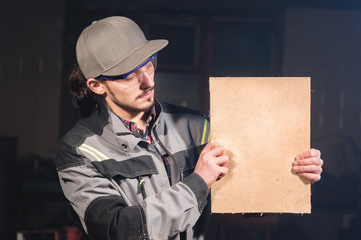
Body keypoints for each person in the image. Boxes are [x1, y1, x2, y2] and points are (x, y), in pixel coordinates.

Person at [55, 16, 323, 240]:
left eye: (149, 64)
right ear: (97, 85)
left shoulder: (196, 126)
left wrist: (290, 172)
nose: (148, 82)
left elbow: (241, 193)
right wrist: (197, 182)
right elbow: (118, 229)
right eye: (129, 76)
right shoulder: (80, 151)